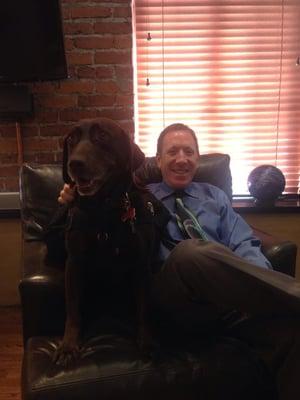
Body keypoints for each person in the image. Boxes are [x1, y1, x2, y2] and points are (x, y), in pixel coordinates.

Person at [59, 122, 300, 399]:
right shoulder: (140, 197)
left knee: (292, 332)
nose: (182, 159)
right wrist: (70, 201)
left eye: (189, 151)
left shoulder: (216, 197)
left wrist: (253, 285)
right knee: (190, 252)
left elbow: (243, 242)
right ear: (158, 160)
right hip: (174, 299)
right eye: (172, 152)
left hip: (229, 301)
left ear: (198, 159)